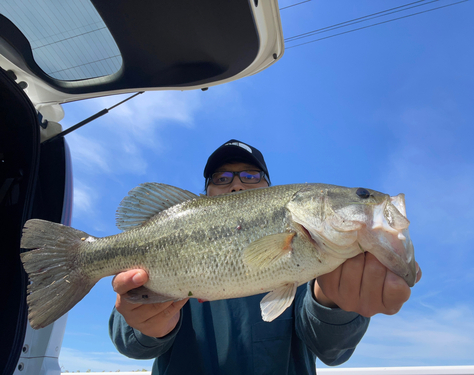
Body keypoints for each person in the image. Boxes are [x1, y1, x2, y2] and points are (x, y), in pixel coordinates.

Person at [109, 139, 422, 374]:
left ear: (269, 187)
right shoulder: (172, 239)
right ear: (205, 194)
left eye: (250, 176)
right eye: (221, 178)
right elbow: (130, 344)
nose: (235, 185)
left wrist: (334, 303)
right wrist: (145, 324)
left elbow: (332, 351)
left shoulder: (318, 266)